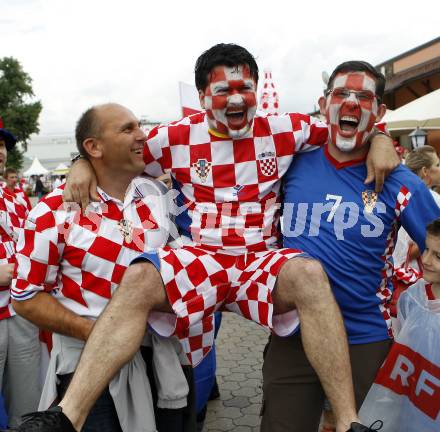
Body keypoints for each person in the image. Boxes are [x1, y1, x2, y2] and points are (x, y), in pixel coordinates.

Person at [17, 44, 398, 432]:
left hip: (258, 262)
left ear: (256, 89)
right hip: (204, 257)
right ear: (202, 97)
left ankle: (350, 422)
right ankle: (66, 416)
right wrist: (81, 162)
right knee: (142, 277)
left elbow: (346, 122)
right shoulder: (173, 137)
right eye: (222, 90)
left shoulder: (288, 128)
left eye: (245, 87)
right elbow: (112, 154)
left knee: (310, 275)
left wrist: (381, 136)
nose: (236, 98)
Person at [261, 61, 440, 432]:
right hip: (292, 334)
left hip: (364, 337)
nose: (352, 104)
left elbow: (436, 243)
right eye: (341, 94)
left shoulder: (399, 182)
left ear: (379, 111)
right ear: (323, 104)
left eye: (364, 97)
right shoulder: (289, 164)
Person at [12, 103, 196, 432]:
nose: (142, 135)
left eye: (140, 126)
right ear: (94, 147)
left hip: (164, 360)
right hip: (90, 370)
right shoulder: (54, 212)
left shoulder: (158, 196)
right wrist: (101, 337)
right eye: (127, 129)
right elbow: (25, 297)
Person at [359, 218, 440, 431]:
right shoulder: (413, 297)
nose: (426, 260)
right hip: (407, 406)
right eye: (426, 250)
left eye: (437, 255)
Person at [0, 128, 41, 428]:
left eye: (2, 145)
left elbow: (30, 243)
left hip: (20, 309)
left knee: (27, 408)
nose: (1, 151)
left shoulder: (16, 198)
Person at [393, 145, 440, 273]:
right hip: (417, 271)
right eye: (438, 165)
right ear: (425, 171)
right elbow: (417, 247)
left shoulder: (399, 192)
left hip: (398, 269)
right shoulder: (431, 198)